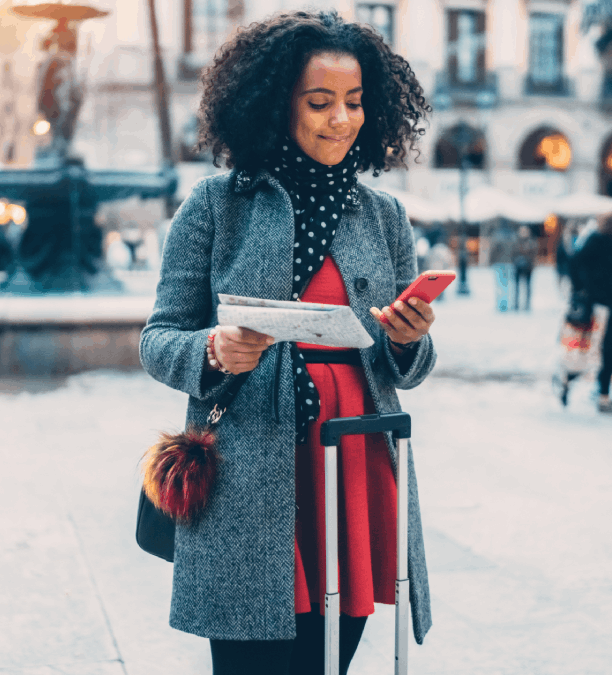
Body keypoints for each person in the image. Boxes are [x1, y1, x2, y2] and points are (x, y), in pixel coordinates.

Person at [139, 11, 435, 674]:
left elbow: (405, 365)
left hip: (353, 463)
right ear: (276, 104)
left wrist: (410, 340)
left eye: (356, 102)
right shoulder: (216, 205)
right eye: (320, 102)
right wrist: (211, 350)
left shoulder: (383, 214)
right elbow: (157, 338)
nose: (341, 120)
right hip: (251, 471)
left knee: (331, 661)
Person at [570, 209, 612, 414]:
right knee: (589, 350)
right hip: (598, 307)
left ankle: (603, 395)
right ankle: (568, 380)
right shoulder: (597, 240)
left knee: (609, 351)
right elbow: (575, 263)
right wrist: (585, 290)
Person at [512, 225, 538, 311]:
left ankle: (527, 304)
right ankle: (516, 304)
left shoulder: (531, 242)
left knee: (527, 287)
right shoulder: (516, 241)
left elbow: (534, 254)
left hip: (528, 267)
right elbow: (513, 253)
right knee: (516, 287)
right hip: (517, 267)